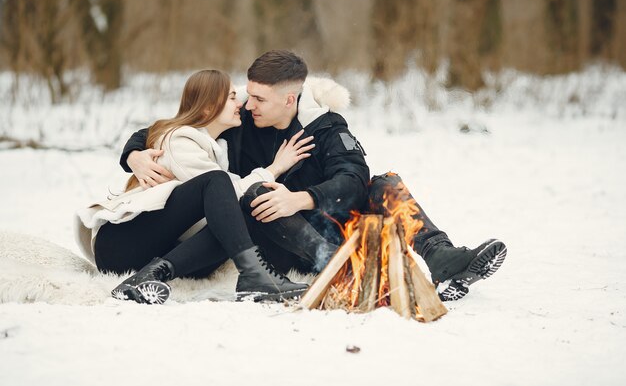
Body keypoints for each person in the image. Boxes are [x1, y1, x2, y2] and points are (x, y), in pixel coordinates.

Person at [121, 50, 507, 301]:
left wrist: (302, 198)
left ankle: (443, 261)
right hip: (272, 232)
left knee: (385, 183)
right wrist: (135, 154)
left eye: (258, 99)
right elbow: (181, 121)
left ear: (290, 99)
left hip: (330, 223)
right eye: (246, 95)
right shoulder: (239, 119)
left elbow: (355, 178)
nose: (246, 104)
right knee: (258, 193)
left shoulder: (325, 126)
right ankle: (344, 272)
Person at [75, 69, 316, 304]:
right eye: (232, 97)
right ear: (209, 107)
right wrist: (275, 168)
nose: (241, 104)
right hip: (122, 245)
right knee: (219, 185)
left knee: (240, 218)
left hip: (155, 252)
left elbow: (227, 211)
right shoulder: (179, 140)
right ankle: (254, 274)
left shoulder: (216, 148)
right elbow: (226, 197)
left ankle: (153, 276)